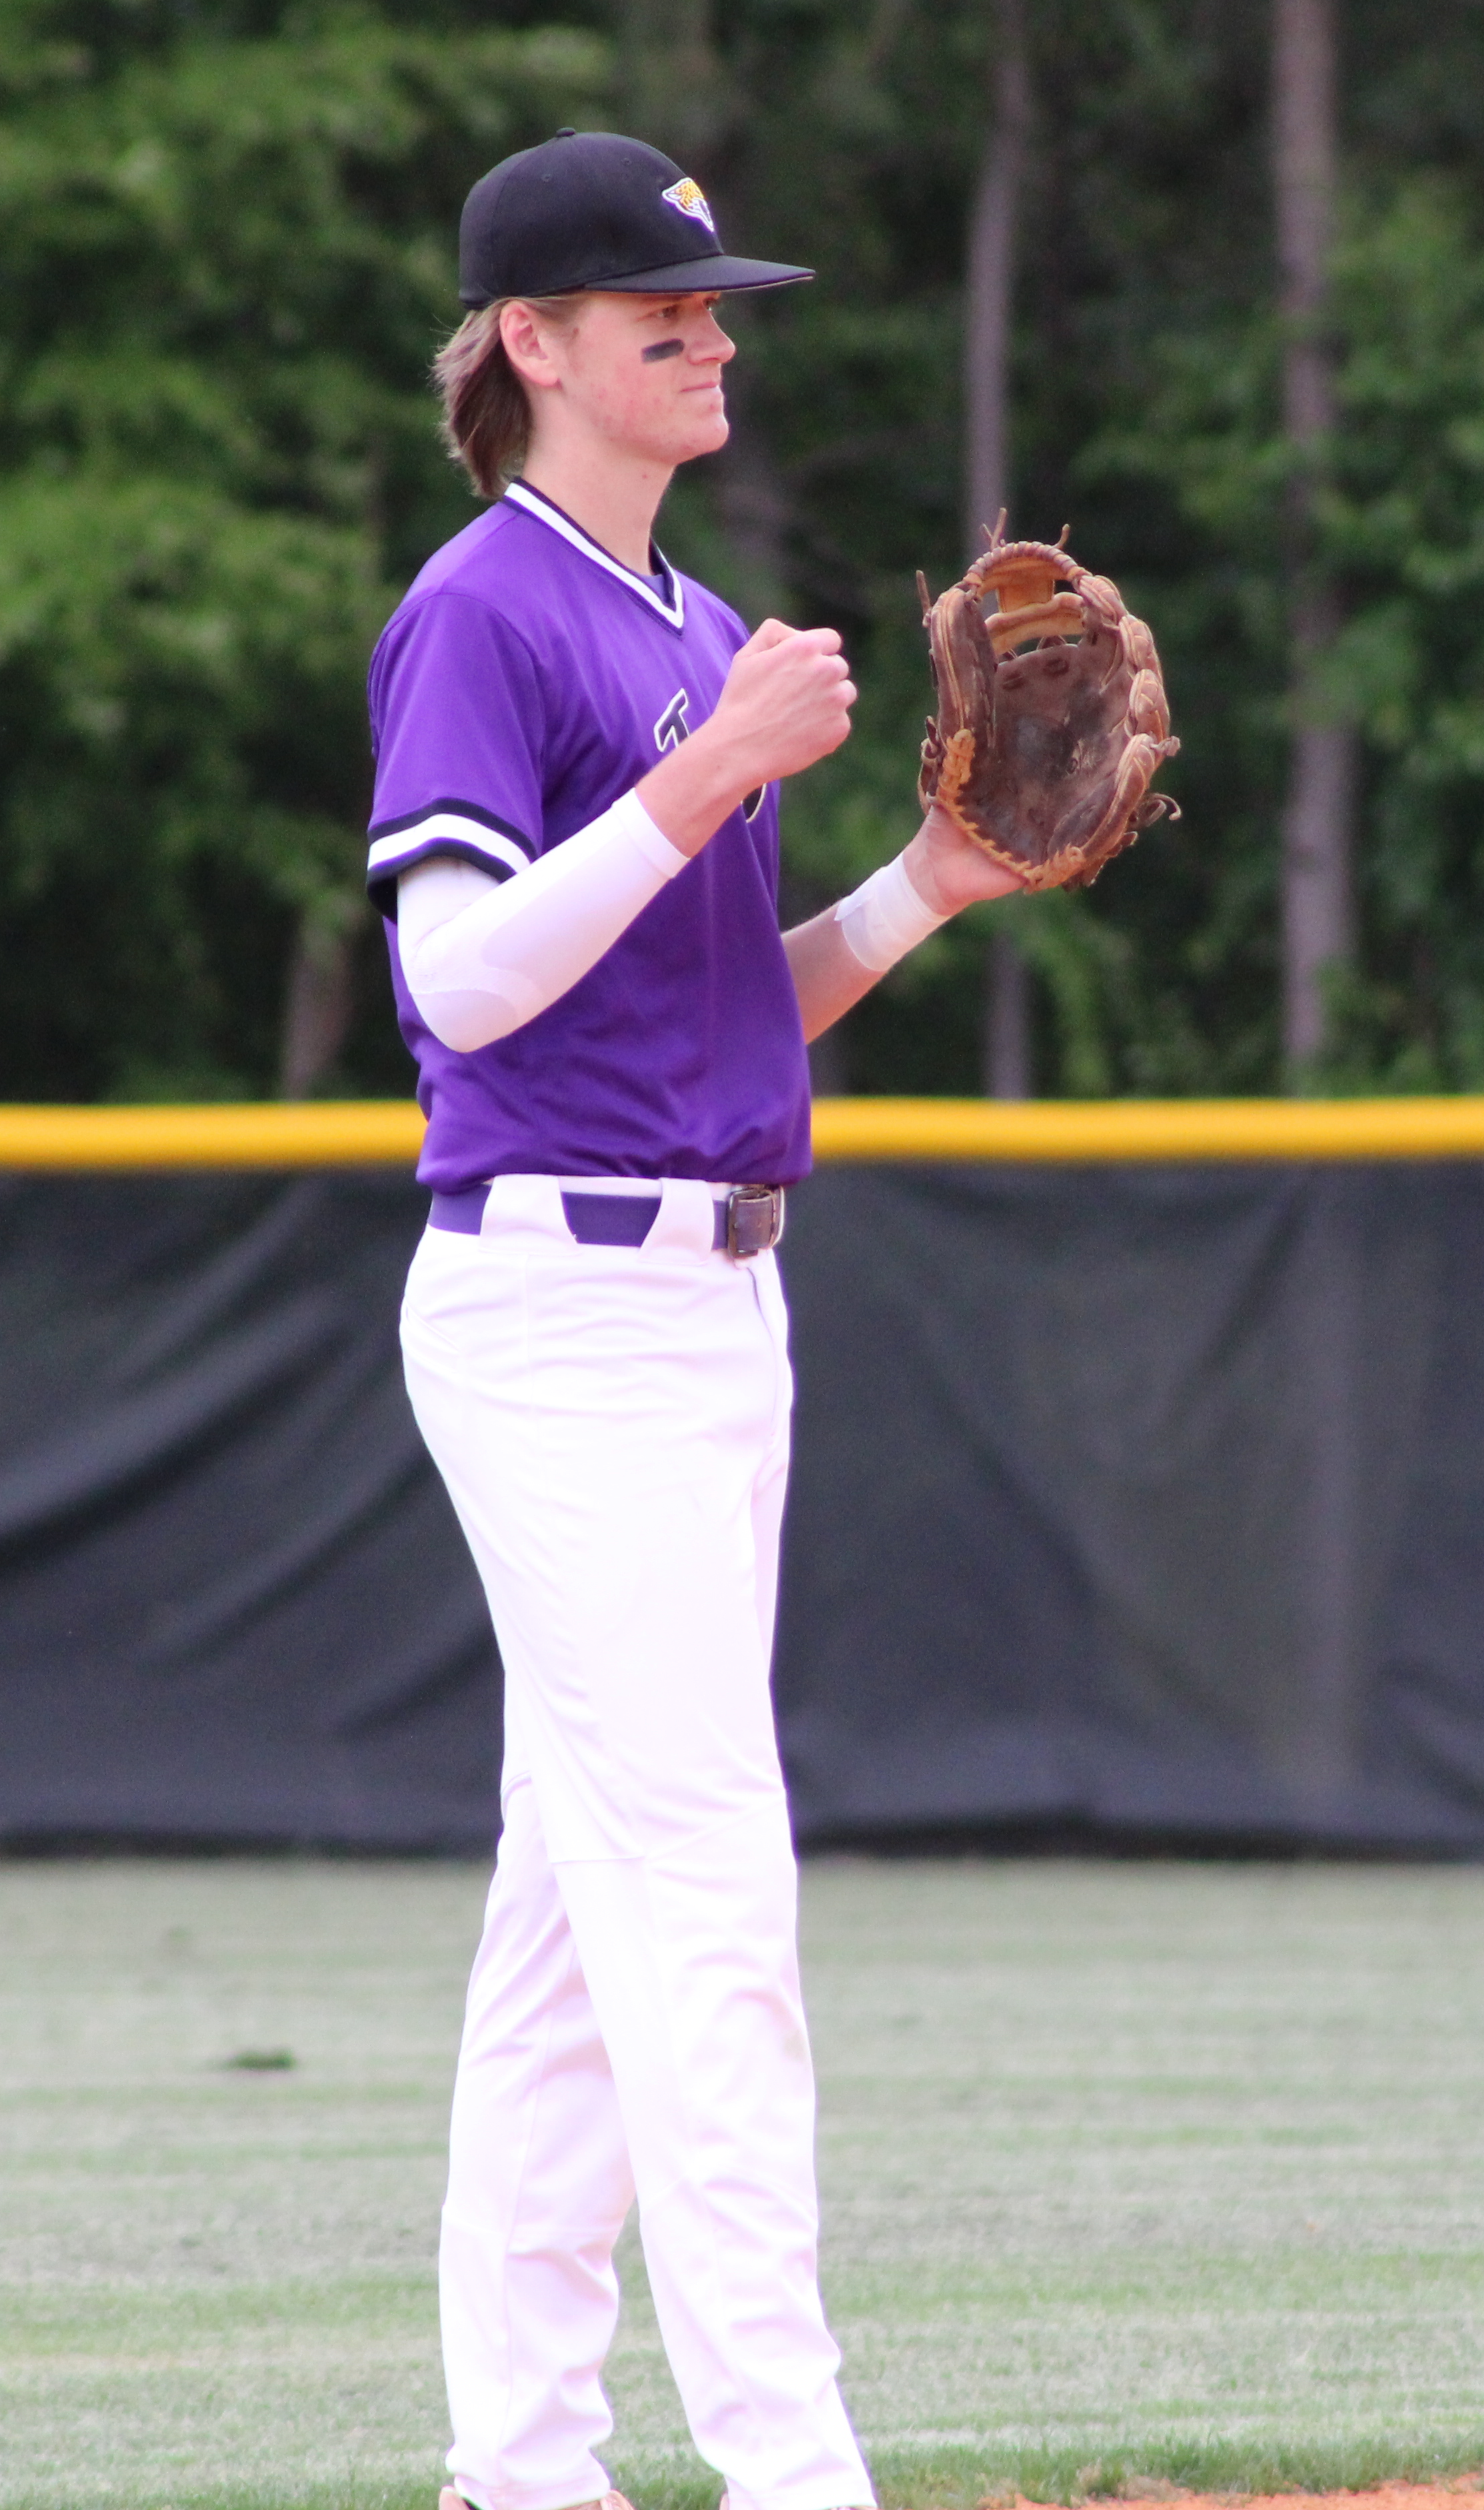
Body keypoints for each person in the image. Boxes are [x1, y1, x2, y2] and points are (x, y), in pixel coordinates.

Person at [365, 129, 1017, 2510]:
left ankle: (523, 2467)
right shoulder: (489, 611)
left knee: (580, 1918)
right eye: (661, 312)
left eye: (717, 310)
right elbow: (456, 978)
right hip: (556, 1305)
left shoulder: (674, 624)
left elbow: (744, 1008)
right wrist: (719, 767)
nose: (707, 337)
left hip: (713, 1296)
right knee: (707, 1887)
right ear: (530, 345)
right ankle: (795, 2470)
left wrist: (927, 880)